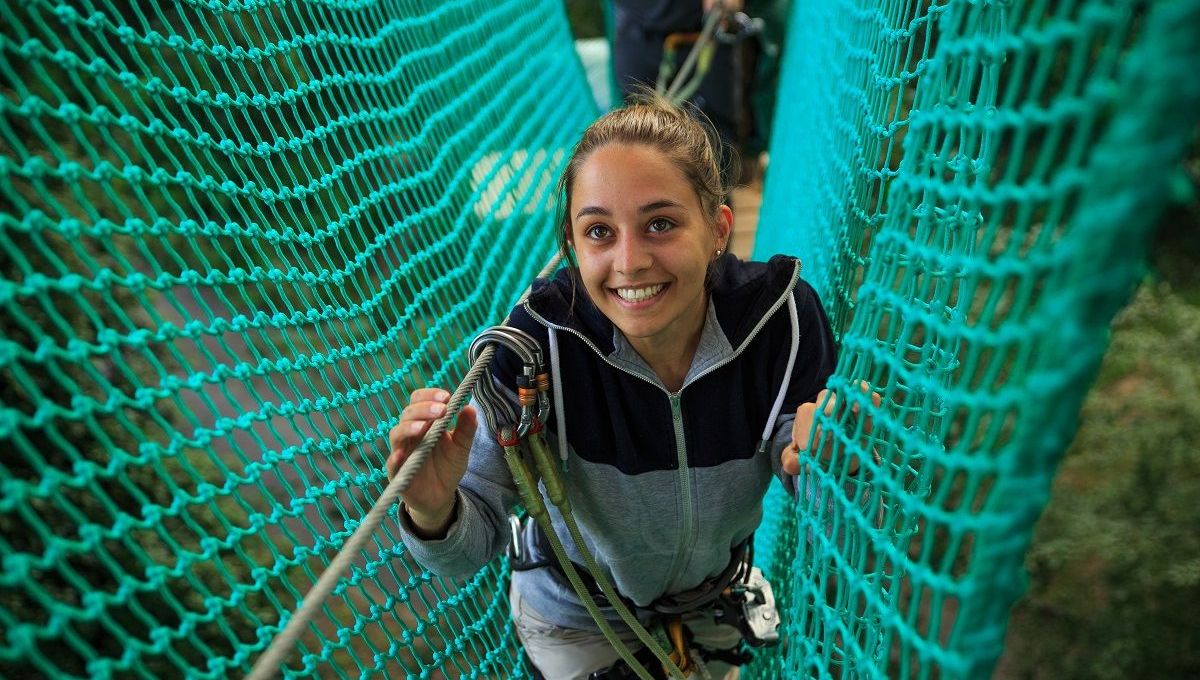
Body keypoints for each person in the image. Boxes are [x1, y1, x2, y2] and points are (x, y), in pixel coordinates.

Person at [388, 95, 858, 679]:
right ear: (572, 247)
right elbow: (467, 552)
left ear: (718, 229)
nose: (630, 261)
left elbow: (819, 486)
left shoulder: (780, 321)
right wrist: (432, 509)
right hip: (574, 616)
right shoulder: (536, 348)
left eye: (660, 223)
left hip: (712, 604)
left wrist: (838, 463)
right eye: (599, 231)